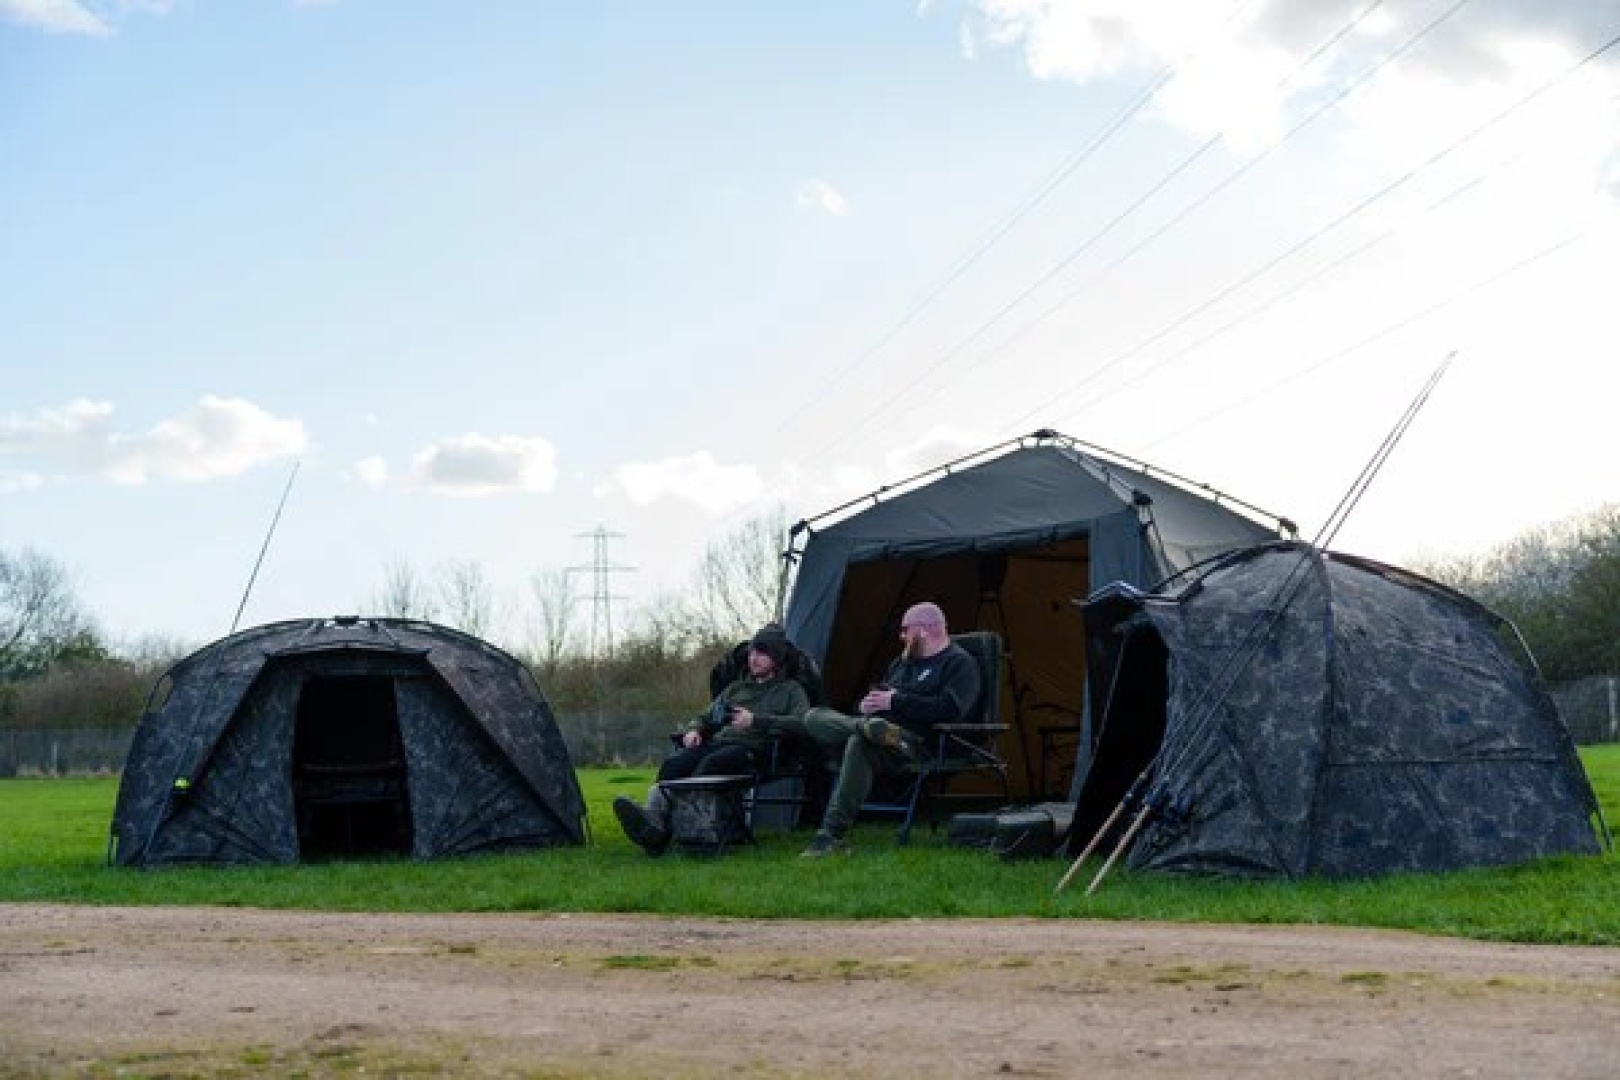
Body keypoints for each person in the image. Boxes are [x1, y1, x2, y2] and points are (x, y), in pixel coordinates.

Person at [776, 601, 980, 858]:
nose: (902, 636)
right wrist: (866, 706)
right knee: (814, 717)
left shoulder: (959, 664)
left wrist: (896, 701)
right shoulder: (901, 664)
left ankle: (831, 834)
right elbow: (881, 695)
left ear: (925, 630)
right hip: (882, 736)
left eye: (906, 630)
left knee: (859, 741)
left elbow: (951, 709)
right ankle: (869, 729)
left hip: (920, 743)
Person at [613, 623, 810, 855]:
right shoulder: (736, 689)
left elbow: (803, 724)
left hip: (756, 750)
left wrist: (756, 721)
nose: (754, 658)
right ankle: (654, 822)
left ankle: (690, 829)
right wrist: (694, 730)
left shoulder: (791, 691)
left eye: (762, 653)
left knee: (714, 764)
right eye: (752, 652)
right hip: (718, 742)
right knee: (675, 763)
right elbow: (704, 716)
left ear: (776, 659)